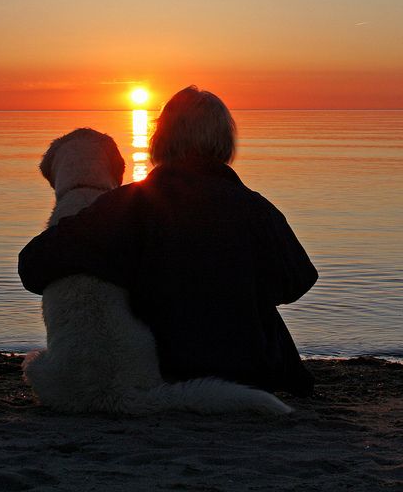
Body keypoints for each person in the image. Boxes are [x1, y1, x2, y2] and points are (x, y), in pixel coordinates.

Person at [19, 86, 318, 396]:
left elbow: (34, 264)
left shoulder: (127, 206)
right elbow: (297, 283)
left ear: (159, 141)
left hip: (165, 367)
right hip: (253, 370)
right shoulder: (257, 210)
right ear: (225, 144)